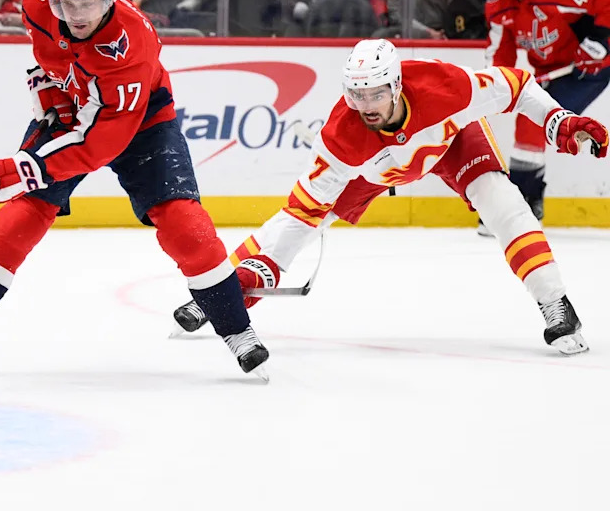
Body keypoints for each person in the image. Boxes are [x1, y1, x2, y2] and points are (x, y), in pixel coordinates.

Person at [0, 0, 270, 380]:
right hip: (73, 109)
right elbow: (49, 50)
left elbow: (98, 144)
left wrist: (27, 168)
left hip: (139, 121)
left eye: (88, 4)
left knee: (183, 222)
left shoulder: (133, 44)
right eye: (67, 3)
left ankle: (237, 329)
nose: (76, 15)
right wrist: (49, 85)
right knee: (24, 213)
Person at [172, 39, 606, 355]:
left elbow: (518, 86)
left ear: (396, 86)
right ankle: (220, 294)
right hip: (379, 165)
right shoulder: (343, 136)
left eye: (376, 93)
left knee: (502, 201)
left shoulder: (446, 86)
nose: (366, 104)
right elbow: (300, 215)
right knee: (306, 223)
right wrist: (255, 271)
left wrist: (560, 121)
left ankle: (555, 303)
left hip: (451, 141)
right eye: (357, 94)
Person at [485, 0, 610, 220]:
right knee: (530, 122)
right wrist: (495, 85)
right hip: (548, 71)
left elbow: (606, 2)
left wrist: (599, 42)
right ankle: (528, 200)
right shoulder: (498, 5)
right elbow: (500, 54)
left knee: (535, 122)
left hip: (589, 70)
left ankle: (519, 202)